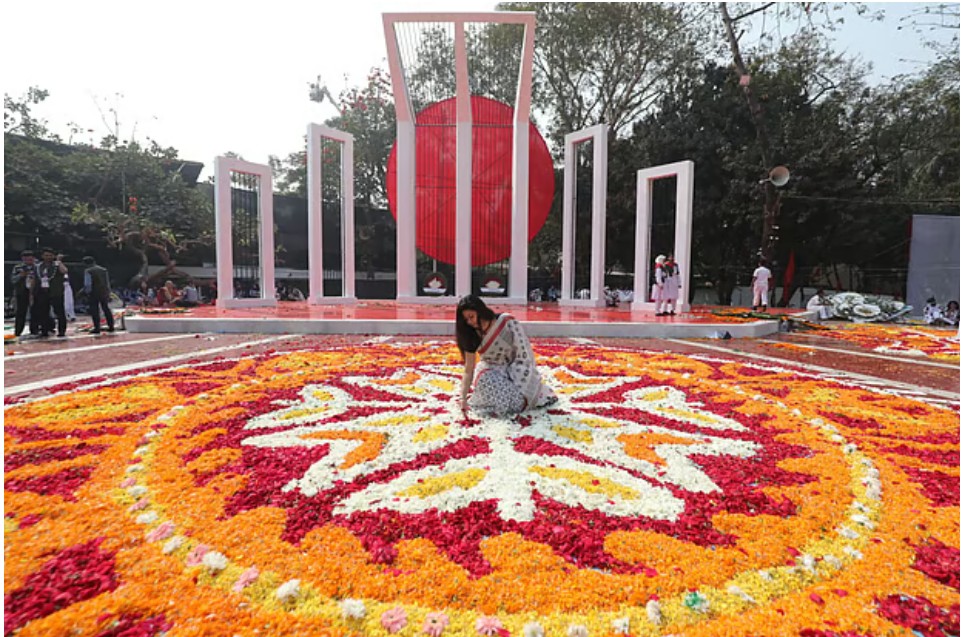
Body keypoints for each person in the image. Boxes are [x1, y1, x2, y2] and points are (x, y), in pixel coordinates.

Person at [456, 294, 557, 417]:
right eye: (466, 320)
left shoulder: (506, 323)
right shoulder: (471, 335)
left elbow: (523, 352)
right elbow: (468, 370)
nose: (470, 322)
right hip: (493, 373)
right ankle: (511, 403)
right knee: (484, 379)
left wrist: (517, 376)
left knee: (517, 392)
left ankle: (516, 402)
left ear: (480, 311)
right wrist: (463, 398)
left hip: (517, 370)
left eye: (471, 317)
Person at [82, 256, 115, 334]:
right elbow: (107, 282)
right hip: (104, 292)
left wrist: (86, 293)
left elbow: (88, 284)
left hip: (94, 292)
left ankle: (97, 327)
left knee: (95, 310)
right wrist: (108, 292)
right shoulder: (103, 270)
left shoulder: (88, 271)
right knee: (106, 309)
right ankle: (111, 326)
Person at [10, 250, 39, 337]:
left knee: (35, 311)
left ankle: (34, 330)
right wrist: (20, 275)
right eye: (26, 258)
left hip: (34, 292)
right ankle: (18, 331)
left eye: (30, 258)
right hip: (21, 292)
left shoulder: (37, 267)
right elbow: (13, 280)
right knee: (20, 312)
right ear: (23, 259)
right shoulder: (18, 267)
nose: (28, 260)